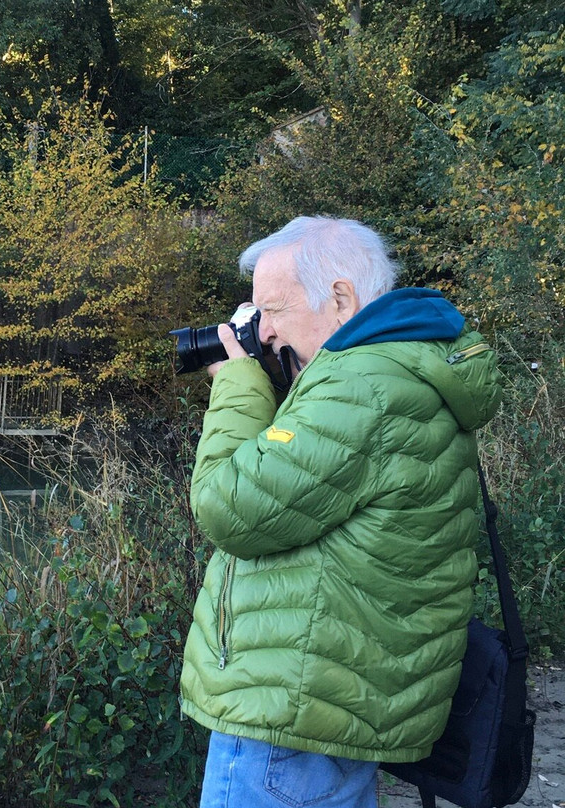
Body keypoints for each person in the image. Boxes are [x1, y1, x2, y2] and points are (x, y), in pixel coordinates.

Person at [180, 216, 503, 808]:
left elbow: (228, 508)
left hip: (293, 711)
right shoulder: (399, 365)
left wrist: (237, 386)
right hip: (333, 692)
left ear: (340, 297)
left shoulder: (363, 383)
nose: (264, 332)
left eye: (271, 311)